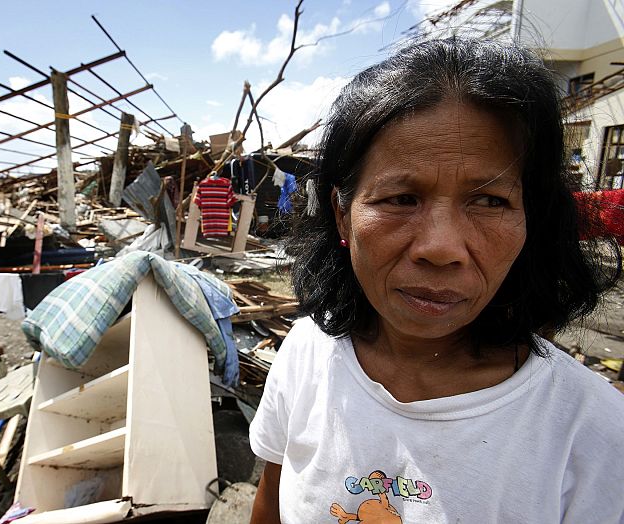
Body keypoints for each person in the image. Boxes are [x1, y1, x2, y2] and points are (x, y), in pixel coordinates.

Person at [249, 38, 624, 523]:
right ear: (342, 215)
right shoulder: (305, 355)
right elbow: (270, 504)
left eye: (490, 202)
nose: (441, 248)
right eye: (401, 198)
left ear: (533, 221)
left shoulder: (591, 430)